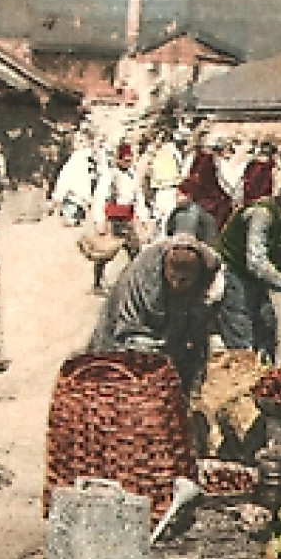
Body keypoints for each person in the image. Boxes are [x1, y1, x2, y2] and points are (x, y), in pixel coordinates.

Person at [88, 234, 225, 393]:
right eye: (173, 278)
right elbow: (129, 332)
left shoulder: (209, 267)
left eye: (184, 280)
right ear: (164, 268)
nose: (177, 285)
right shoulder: (142, 279)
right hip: (133, 339)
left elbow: (202, 324)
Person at [214, 167, 281, 362]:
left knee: (268, 329)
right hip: (235, 275)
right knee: (243, 337)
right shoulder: (262, 214)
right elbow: (256, 262)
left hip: (258, 281)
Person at [87, 141, 146, 294]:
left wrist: (143, 217)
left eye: (130, 160)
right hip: (113, 220)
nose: (128, 163)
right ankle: (97, 283)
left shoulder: (132, 176)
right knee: (106, 252)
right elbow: (100, 198)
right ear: (118, 159)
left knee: (136, 252)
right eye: (125, 160)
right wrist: (99, 220)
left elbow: (137, 198)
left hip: (127, 219)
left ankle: (134, 285)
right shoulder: (110, 176)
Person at [163, 178, 219, 245]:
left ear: (189, 196)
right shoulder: (201, 212)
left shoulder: (187, 214)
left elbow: (183, 243)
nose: (175, 198)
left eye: (178, 195)